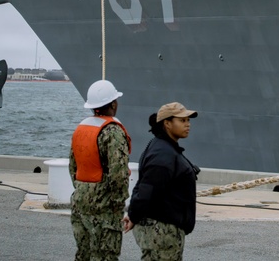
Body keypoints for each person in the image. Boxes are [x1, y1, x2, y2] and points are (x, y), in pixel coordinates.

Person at [124, 102, 199, 261]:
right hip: (162, 232)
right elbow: (147, 191)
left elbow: (143, 185)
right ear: (167, 123)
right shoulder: (162, 155)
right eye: (182, 120)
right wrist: (133, 215)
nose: (188, 125)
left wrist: (133, 214)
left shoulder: (163, 147)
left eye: (188, 120)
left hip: (163, 230)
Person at [70, 80, 131, 261]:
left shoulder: (81, 128)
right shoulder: (113, 131)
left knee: (84, 254)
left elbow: (73, 166)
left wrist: (83, 189)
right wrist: (118, 203)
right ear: (113, 104)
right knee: (106, 256)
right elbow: (119, 173)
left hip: (80, 201)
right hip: (105, 207)